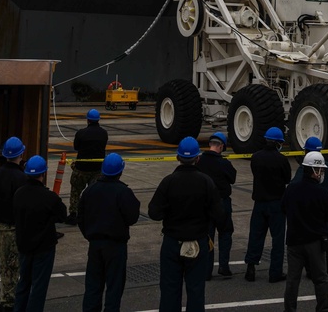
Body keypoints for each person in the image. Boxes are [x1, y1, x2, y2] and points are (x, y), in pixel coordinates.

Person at [149, 137, 225, 312]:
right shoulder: (206, 182)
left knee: (169, 291)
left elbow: (154, 212)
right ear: (197, 158)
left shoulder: (168, 182)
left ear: (178, 157)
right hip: (198, 242)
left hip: (172, 242)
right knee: (196, 291)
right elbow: (219, 214)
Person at [79, 153, 140, 312]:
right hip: (115, 245)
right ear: (120, 171)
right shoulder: (123, 192)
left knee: (93, 286)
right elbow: (132, 217)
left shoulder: (90, 191)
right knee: (114, 287)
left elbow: (81, 218)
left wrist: (89, 235)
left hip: (95, 244)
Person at [282, 151, 328, 312]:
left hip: (294, 242)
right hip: (315, 242)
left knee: (292, 280)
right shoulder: (322, 192)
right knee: (320, 279)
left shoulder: (291, 189)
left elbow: (283, 208)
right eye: (321, 170)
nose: (322, 174)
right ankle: (322, 309)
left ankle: (289, 309)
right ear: (315, 171)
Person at [13, 155, 68, 312]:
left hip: (24, 245)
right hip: (44, 248)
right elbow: (62, 215)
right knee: (39, 286)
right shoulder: (49, 197)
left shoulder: (19, 193)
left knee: (23, 282)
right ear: (43, 174)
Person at [0, 136, 29, 312]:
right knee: (9, 268)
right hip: (10, 229)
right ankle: (9, 303)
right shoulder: (22, 178)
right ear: (21, 154)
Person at [291, 136, 328, 277]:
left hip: (309, 210)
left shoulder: (304, 169)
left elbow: (294, 186)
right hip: (324, 208)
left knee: (310, 241)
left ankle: (312, 270)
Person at [244, 127, 291, 283]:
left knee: (255, 237)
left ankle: (250, 267)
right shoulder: (282, 159)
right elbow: (287, 179)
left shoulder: (256, 157)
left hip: (259, 202)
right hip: (277, 204)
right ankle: (275, 272)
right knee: (277, 240)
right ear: (278, 142)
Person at [196, 131, 236, 280]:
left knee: (208, 237)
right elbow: (232, 178)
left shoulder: (200, 161)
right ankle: (224, 267)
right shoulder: (224, 163)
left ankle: (206, 271)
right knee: (225, 234)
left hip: (205, 205)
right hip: (222, 203)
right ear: (221, 147)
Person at [67, 109, 108, 225]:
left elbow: (76, 147)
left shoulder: (81, 133)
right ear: (98, 119)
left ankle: (73, 214)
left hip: (81, 168)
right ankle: (92, 214)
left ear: (88, 119)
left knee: (75, 191)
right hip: (97, 169)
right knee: (94, 192)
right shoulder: (104, 133)